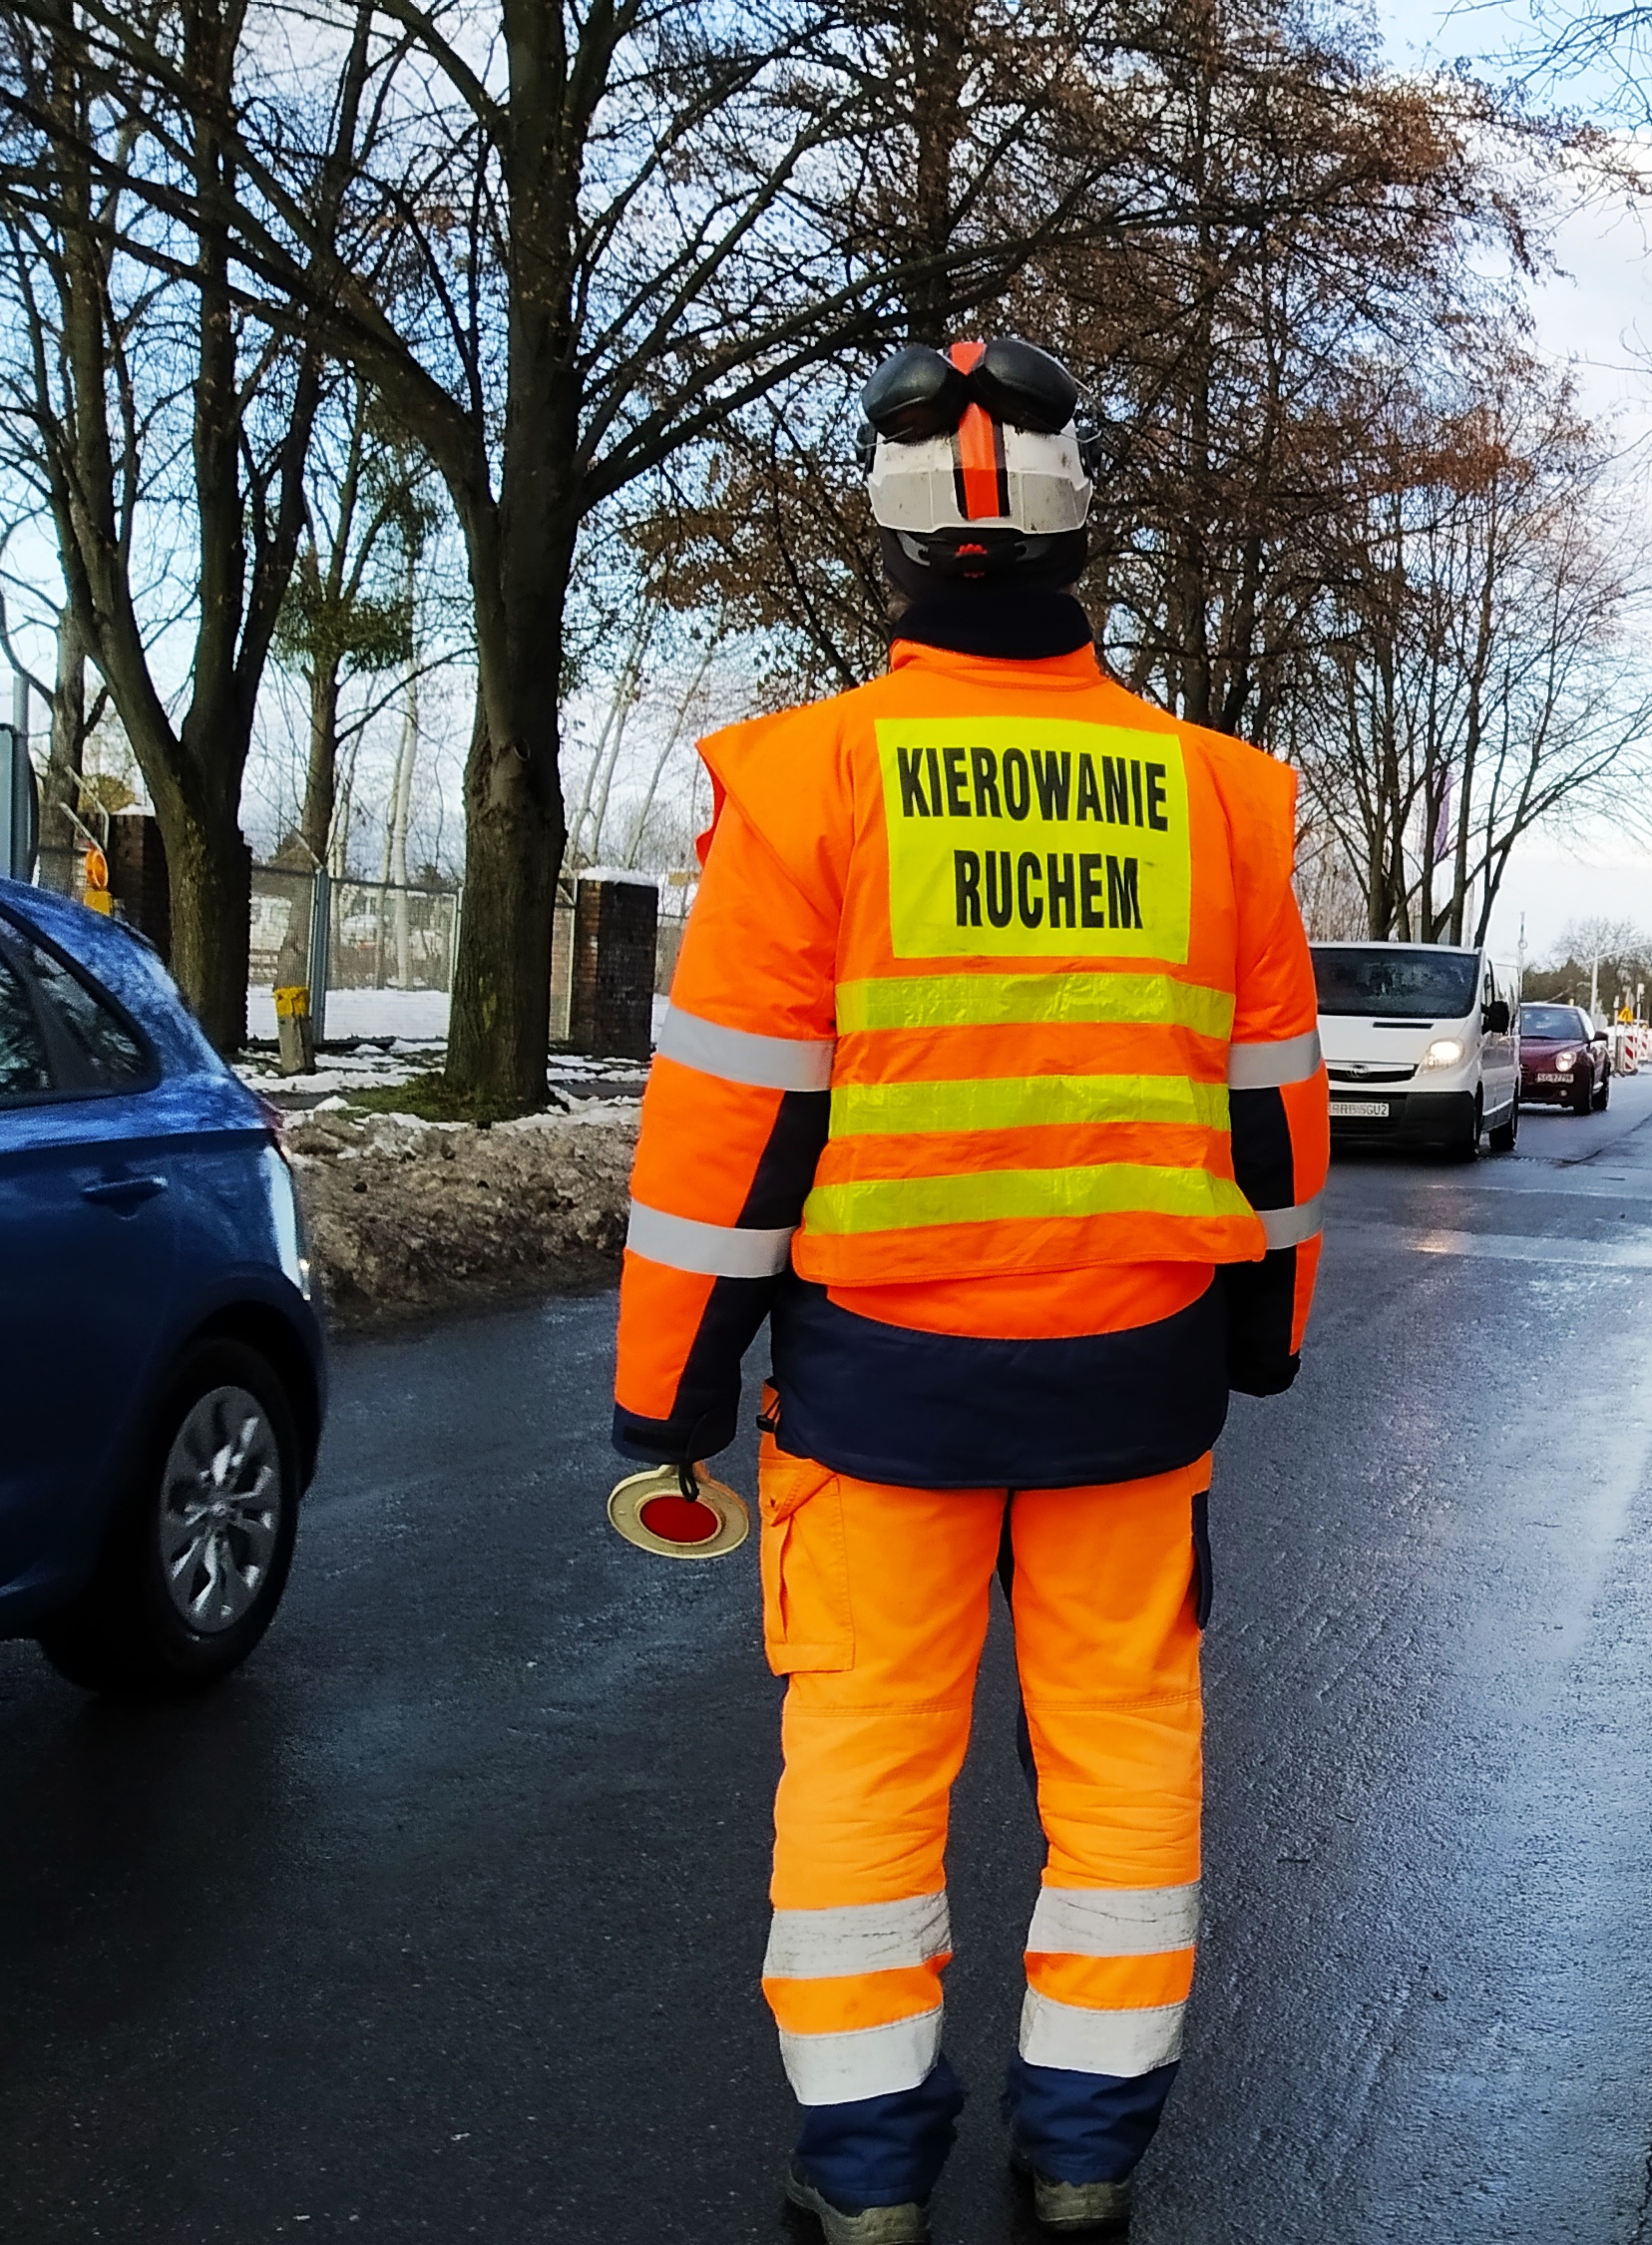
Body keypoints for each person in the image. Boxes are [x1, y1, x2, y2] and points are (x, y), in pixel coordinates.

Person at [609, 336, 1328, 2242]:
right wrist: (1264, 1320)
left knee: (860, 1764)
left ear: (893, 538)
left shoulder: (809, 781)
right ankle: (1087, 2156)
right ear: (1084, 526)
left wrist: (666, 1394)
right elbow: (1272, 1110)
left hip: (877, 1392)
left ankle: (864, 2186)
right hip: (1135, 1379)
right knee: (1124, 1759)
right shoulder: (1219, 799)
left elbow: (730, 1137)